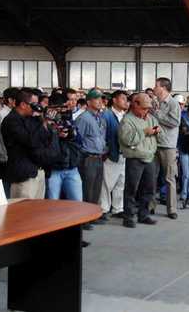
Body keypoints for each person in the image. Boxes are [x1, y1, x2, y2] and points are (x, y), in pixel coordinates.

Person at [1, 88, 60, 199]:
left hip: (39, 171)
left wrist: (46, 122)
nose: (37, 107)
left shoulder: (31, 119)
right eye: (33, 104)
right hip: (24, 175)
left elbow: (45, 138)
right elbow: (30, 141)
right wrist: (44, 123)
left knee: (38, 213)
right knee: (23, 212)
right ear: (23, 104)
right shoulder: (11, 120)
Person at [119, 93, 159, 228]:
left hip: (150, 157)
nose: (146, 111)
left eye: (148, 108)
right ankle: (128, 217)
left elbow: (159, 134)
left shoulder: (151, 118)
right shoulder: (127, 120)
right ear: (135, 105)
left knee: (149, 188)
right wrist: (145, 132)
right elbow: (127, 140)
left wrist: (157, 131)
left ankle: (144, 214)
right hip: (135, 159)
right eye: (143, 108)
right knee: (131, 189)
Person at [75, 88, 107, 227]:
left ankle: (93, 215)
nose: (100, 101)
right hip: (87, 157)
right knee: (87, 189)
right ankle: (85, 218)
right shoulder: (83, 118)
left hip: (99, 157)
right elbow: (77, 139)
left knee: (96, 188)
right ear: (88, 102)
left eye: (101, 99)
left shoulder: (100, 118)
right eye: (96, 99)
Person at [151, 78, 181, 219]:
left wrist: (157, 113)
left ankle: (171, 209)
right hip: (153, 143)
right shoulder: (155, 102)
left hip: (168, 145)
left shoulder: (173, 103)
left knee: (169, 178)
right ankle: (150, 206)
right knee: (151, 176)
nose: (154, 88)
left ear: (163, 88)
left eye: (156, 86)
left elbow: (175, 122)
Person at [45, 94, 83, 202]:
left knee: (77, 203)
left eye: (64, 108)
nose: (62, 111)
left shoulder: (68, 120)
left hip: (72, 167)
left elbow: (80, 141)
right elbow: (42, 143)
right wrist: (55, 134)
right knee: (52, 204)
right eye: (59, 108)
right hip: (54, 169)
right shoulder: (44, 122)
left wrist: (71, 134)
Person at [99, 90, 128, 221]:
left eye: (126, 99)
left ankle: (118, 208)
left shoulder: (125, 115)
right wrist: (106, 152)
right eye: (122, 98)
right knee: (106, 183)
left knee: (120, 182)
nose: (125, 101)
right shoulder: (107, 115)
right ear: (115, 100)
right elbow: (102, 136)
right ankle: (104, 209)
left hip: (124, 154)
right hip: (112, 154)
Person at [0, 87, 18, 196]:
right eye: (18, 99)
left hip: (11, 157)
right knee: (7, 190)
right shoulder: (3, 114)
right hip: (6, 157)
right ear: (10, 100)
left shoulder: (10, 113)